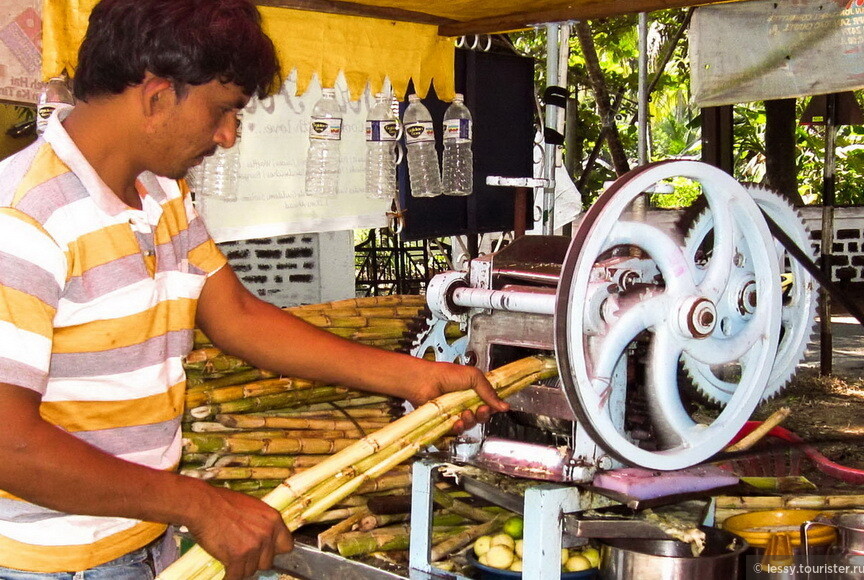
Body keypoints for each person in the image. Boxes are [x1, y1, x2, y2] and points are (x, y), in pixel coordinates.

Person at [0, 0, 507, 578]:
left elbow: (236, 316)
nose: (228, 134)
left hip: (141, 545)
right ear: (157, 95)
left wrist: (414, 377)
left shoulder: (162, 195)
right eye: (223, 109)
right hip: (43, 565)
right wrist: (198, 503)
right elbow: (7, 443)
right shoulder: (23, 219)